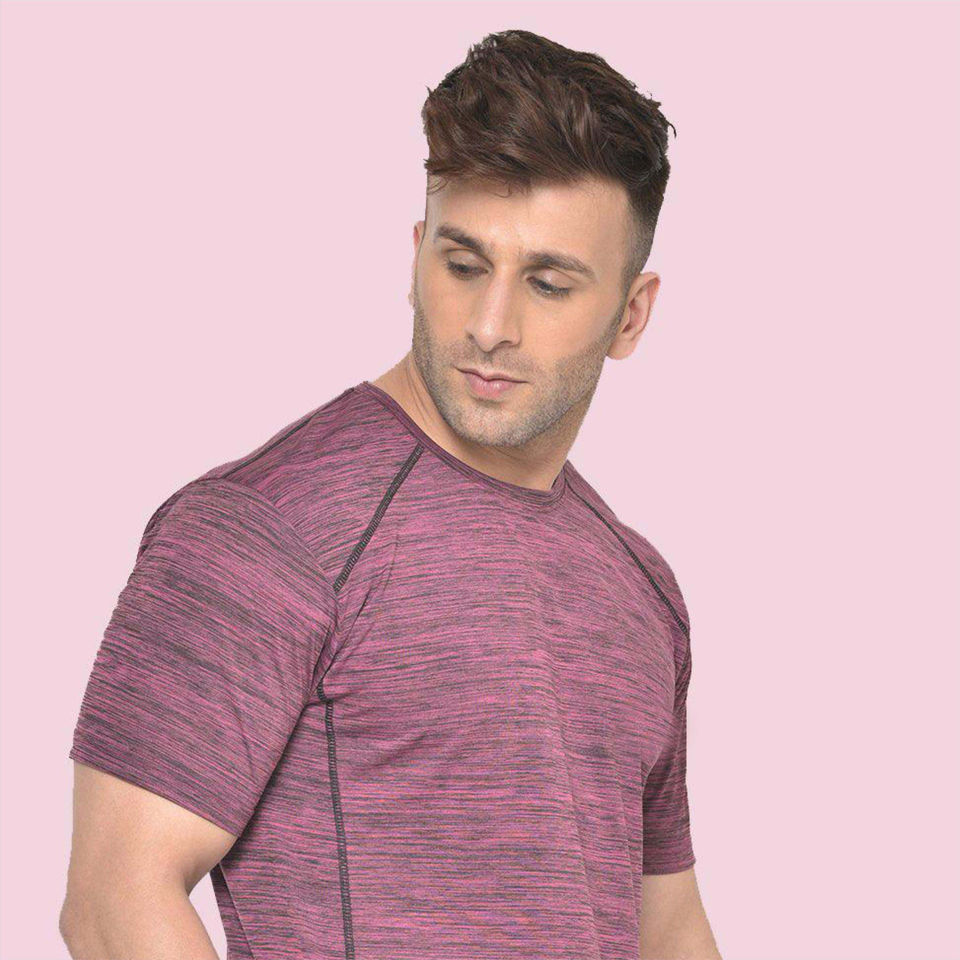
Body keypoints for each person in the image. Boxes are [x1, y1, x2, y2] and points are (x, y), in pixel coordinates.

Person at [60, 28, 721, 960]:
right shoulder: (262, 530)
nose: (489, 325)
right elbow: (113, 901)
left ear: (631, 314)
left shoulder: (641, 590)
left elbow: (669, 925)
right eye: (463, 265)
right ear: (416, 256)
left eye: (547, 283)